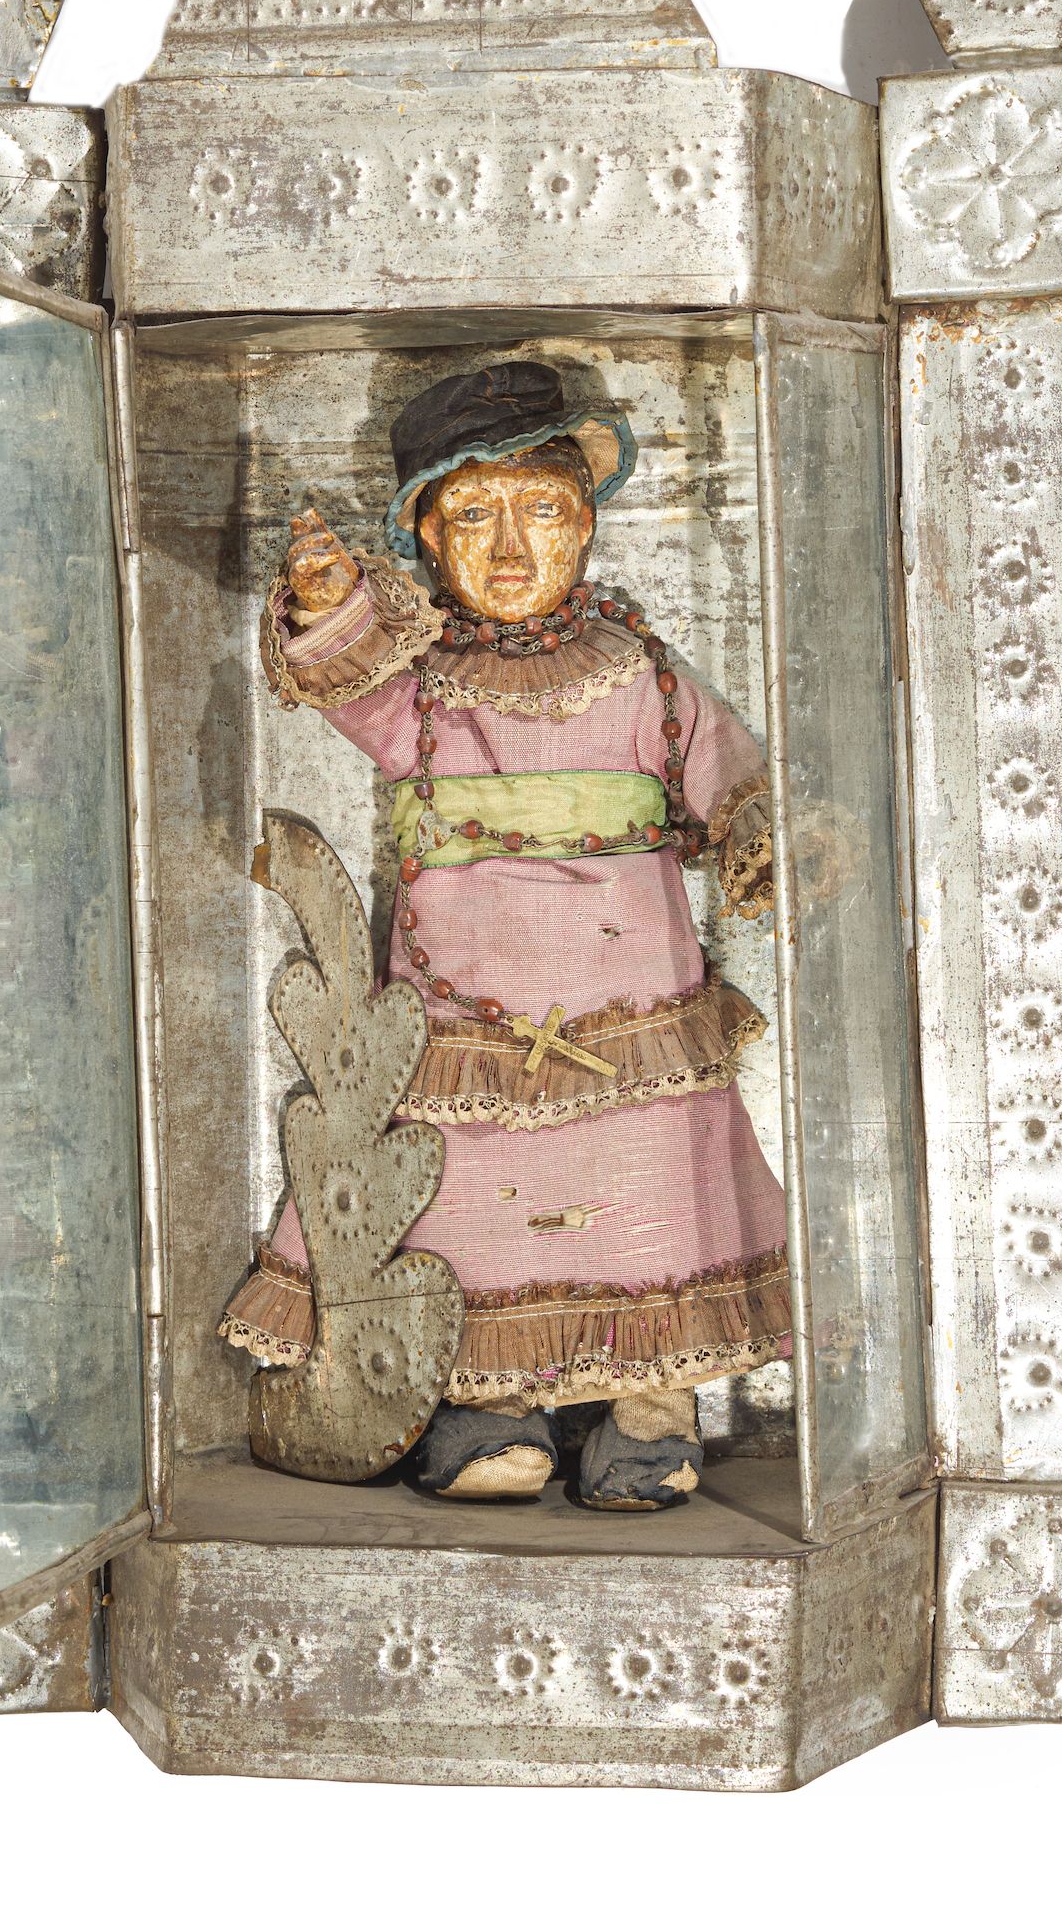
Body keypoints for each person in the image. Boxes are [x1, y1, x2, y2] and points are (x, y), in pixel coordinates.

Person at [219, 361, 792, 1511]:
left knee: (647, 1191)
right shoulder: (424, 689)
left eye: (541, 510)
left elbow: (730, 775)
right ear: (429, 541)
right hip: (471, 1018)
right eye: (474, 517)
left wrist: (759, 834)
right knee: (471, 1201)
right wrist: (330, 600)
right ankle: (487, 1408)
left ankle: (647, 1412)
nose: (513, 548)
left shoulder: (646, 680)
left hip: (631, 1009)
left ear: (586, 522)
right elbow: (342, 681)